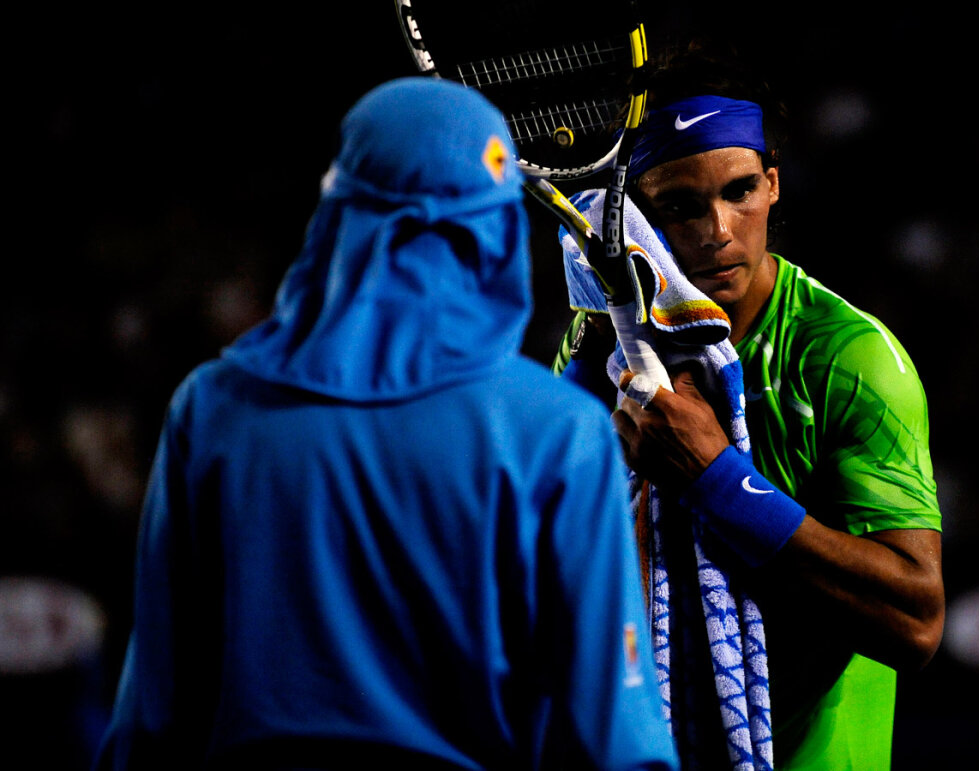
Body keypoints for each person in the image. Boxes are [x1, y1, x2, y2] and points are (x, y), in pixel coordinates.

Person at [94, 78, 678, 771]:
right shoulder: (557, 434)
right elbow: (614, 742)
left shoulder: (212, 410)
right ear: (496, 234)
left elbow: (152, 718)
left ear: (336, 216)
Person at [554, 44, 944, 770]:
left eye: (740, 191)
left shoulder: (849, 358)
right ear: (632, 216)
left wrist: (714, 477)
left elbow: (916, 621)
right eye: (680, 206)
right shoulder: (602, 347)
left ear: (773, 184)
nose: (719, 231)